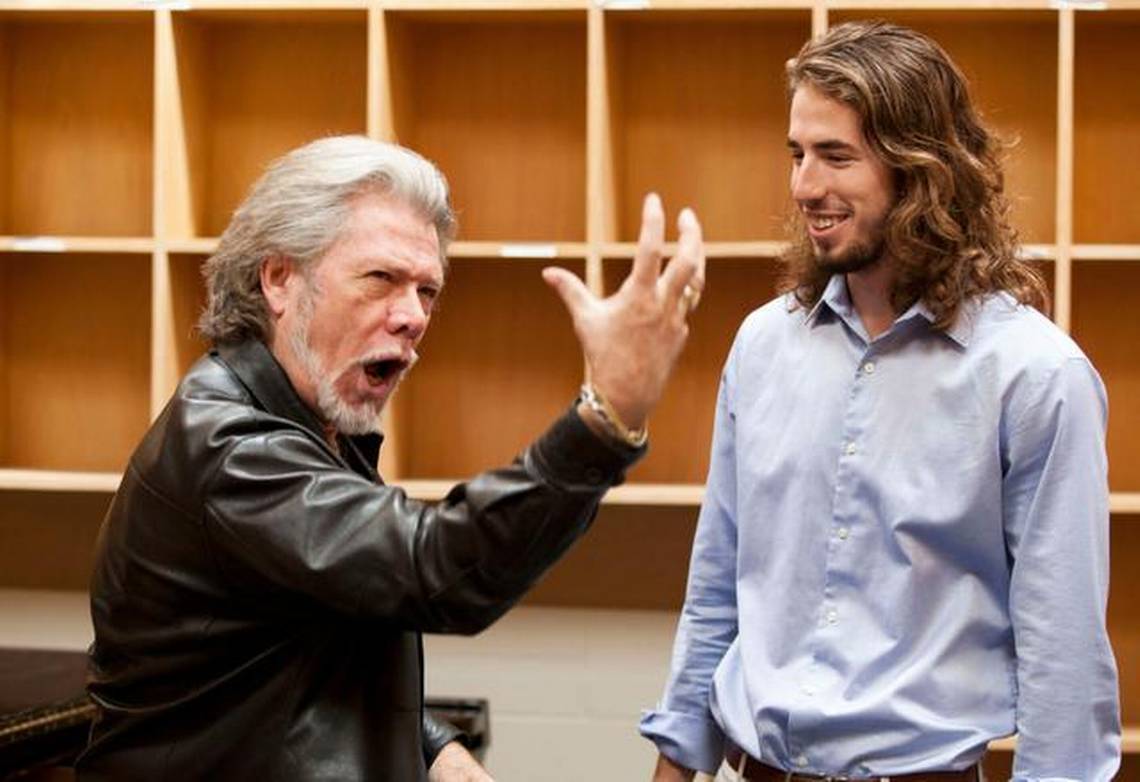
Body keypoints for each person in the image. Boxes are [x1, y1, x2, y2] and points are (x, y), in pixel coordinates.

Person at [77, 135, 705, 780]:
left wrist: (433, 747)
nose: (412, 317)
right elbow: (435, 569)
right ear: (279, 279)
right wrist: (604, 418)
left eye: (427, 291)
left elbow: (305, 648)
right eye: (381, 279)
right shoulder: (233, 449)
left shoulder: (316, 429)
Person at [640, 20, 1120, 782]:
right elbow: (718, 590)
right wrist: (674, 766)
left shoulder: (1036, 375)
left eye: (836, 157)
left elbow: (1064, 658)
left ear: (923, 169)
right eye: (797, 154)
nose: (804, 186)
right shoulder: (764, 345)